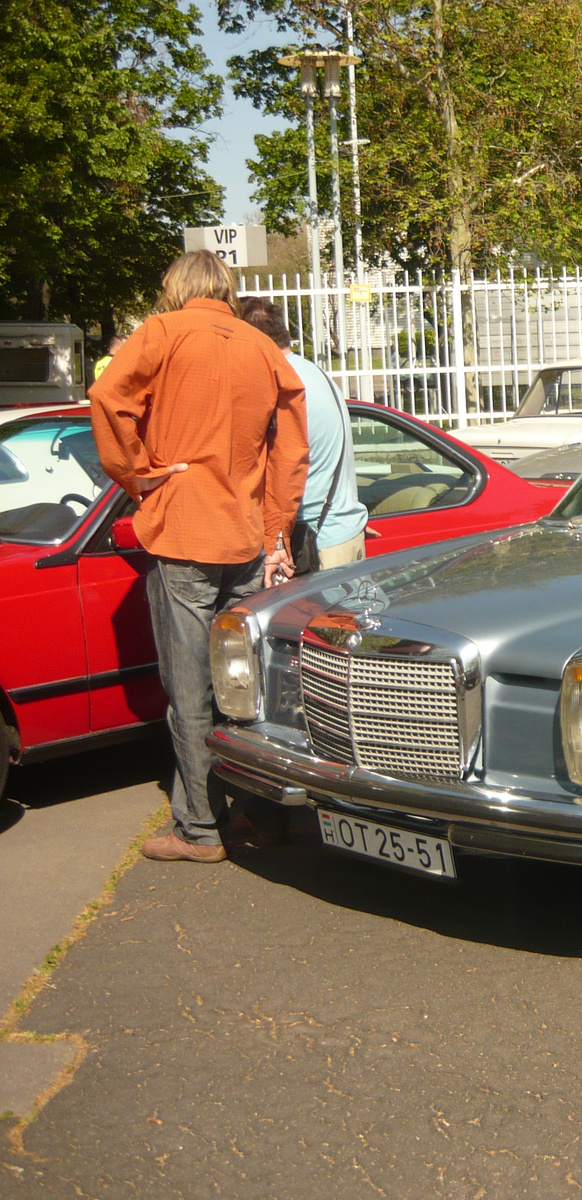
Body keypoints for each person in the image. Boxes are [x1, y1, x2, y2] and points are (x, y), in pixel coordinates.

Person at [90, 252, 308, 865]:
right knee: (246, 683)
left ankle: (199, 829)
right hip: (245, 535)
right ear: (227, 288)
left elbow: (108, 397)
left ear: (176, 288)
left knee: (189, 688)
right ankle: (261, 816)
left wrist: (139, 475)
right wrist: (277, 535)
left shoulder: (161, 332)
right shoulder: (261, 347)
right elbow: (290, 453)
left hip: (184, 530)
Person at [240, 298, 367, 569]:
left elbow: (283, 464)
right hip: (342, 531)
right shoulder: (313, 372)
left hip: (314, 544)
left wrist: (275, 540)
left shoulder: (282, 383)